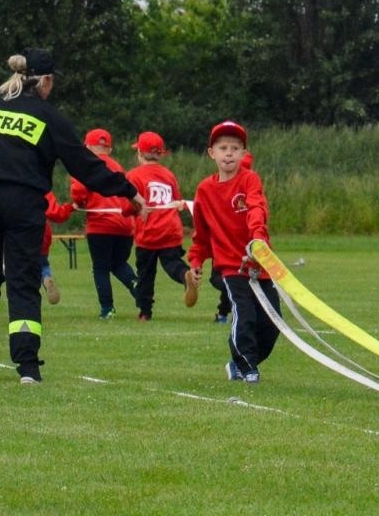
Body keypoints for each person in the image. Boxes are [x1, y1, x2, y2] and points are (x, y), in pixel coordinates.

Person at [0, 49, 141, 384]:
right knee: (23, 280)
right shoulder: (47, 115)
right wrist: (127, 190)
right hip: (22, 202)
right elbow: (83, 163)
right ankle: (27, 367)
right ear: (47, 81)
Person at [184, 121, 279, 384]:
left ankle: (241, 362)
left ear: (243, 153)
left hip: (260, 262)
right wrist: (196, 260)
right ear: (211, 153)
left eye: (235, 148)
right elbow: (201, 233)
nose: (229, 153)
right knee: (244, 314)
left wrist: (257, 240)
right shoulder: (205, 190)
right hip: (231, 266)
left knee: (272, 323)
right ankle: (247, 367)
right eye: (223, 147)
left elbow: (256, 207)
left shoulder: (249, 179)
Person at [71, 127, 140, 319]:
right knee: (118, 263)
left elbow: (79, 191)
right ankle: (135, 283)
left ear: (87, 147)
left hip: (100, 225)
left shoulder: (87, 164)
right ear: (108, 149)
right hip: (125, 225)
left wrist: (78, 202)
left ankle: (107, 309)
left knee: (101, 267)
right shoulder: (118, 166)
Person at [127, 131, 191, 321]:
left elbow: (128, 204)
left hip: (148, 232)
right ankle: (184, 275)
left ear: (139, 153)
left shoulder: (133, 175)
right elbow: (177, 200)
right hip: (171, 229)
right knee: (172, 264)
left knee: (145, 274)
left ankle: (145, 312)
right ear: (160, 154)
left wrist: (127, 212)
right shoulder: (168, 175)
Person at [40, 191, 76, 305]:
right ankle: (46, 277)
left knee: (22, 269)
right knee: (43, 264)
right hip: (42, 233)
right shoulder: (42, 187)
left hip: (19, 234)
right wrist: (70, 207)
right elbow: (56, 213)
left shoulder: (11, 183)